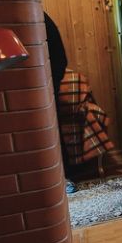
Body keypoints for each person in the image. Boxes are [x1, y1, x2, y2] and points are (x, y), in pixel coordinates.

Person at [44, 12, 76, 194]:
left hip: (46, 84)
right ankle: (63, 177)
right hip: (47, 82)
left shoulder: (38, 18)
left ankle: (64, 177)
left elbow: (59, 59)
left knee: (50, 130)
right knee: (51, 129)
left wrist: (51, 83)